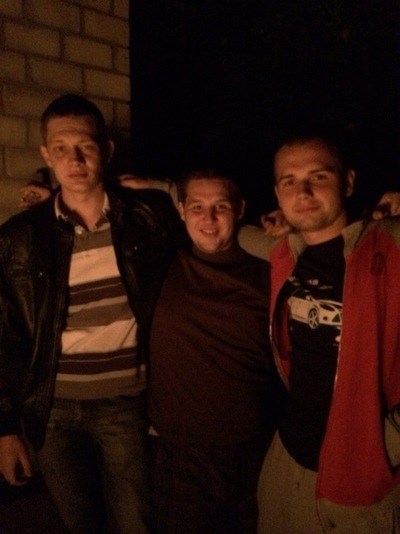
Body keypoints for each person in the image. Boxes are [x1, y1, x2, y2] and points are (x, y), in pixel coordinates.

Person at [0, 94, 180, 533]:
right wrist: (5, 429)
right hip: (52, 410)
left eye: (86, 146)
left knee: (136, 522)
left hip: (127, 404)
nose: (74, 159)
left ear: (107, 150)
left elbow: (211, 219)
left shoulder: (147, 218)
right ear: (46, 155)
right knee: (80, 523)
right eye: (61, 148)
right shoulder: (19, 237)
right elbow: (5, 336)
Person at [257, 132, 400, 532]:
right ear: (278, 194)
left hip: (365, 474)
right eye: (289, 181)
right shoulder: (284, 253)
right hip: (288, 458)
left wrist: (391, 440)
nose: (302, 192)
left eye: (318, 177)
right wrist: (170, 191)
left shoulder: (389, 244)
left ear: (348, 182)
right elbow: (222, 228)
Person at [148, 168, 284, 533]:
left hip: (256, 446)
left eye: (220, 206)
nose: (208, 218)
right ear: (181, 210)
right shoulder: (158, 264)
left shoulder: (270, 271)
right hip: (180, 451)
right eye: (197, 207)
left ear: (240, 209)